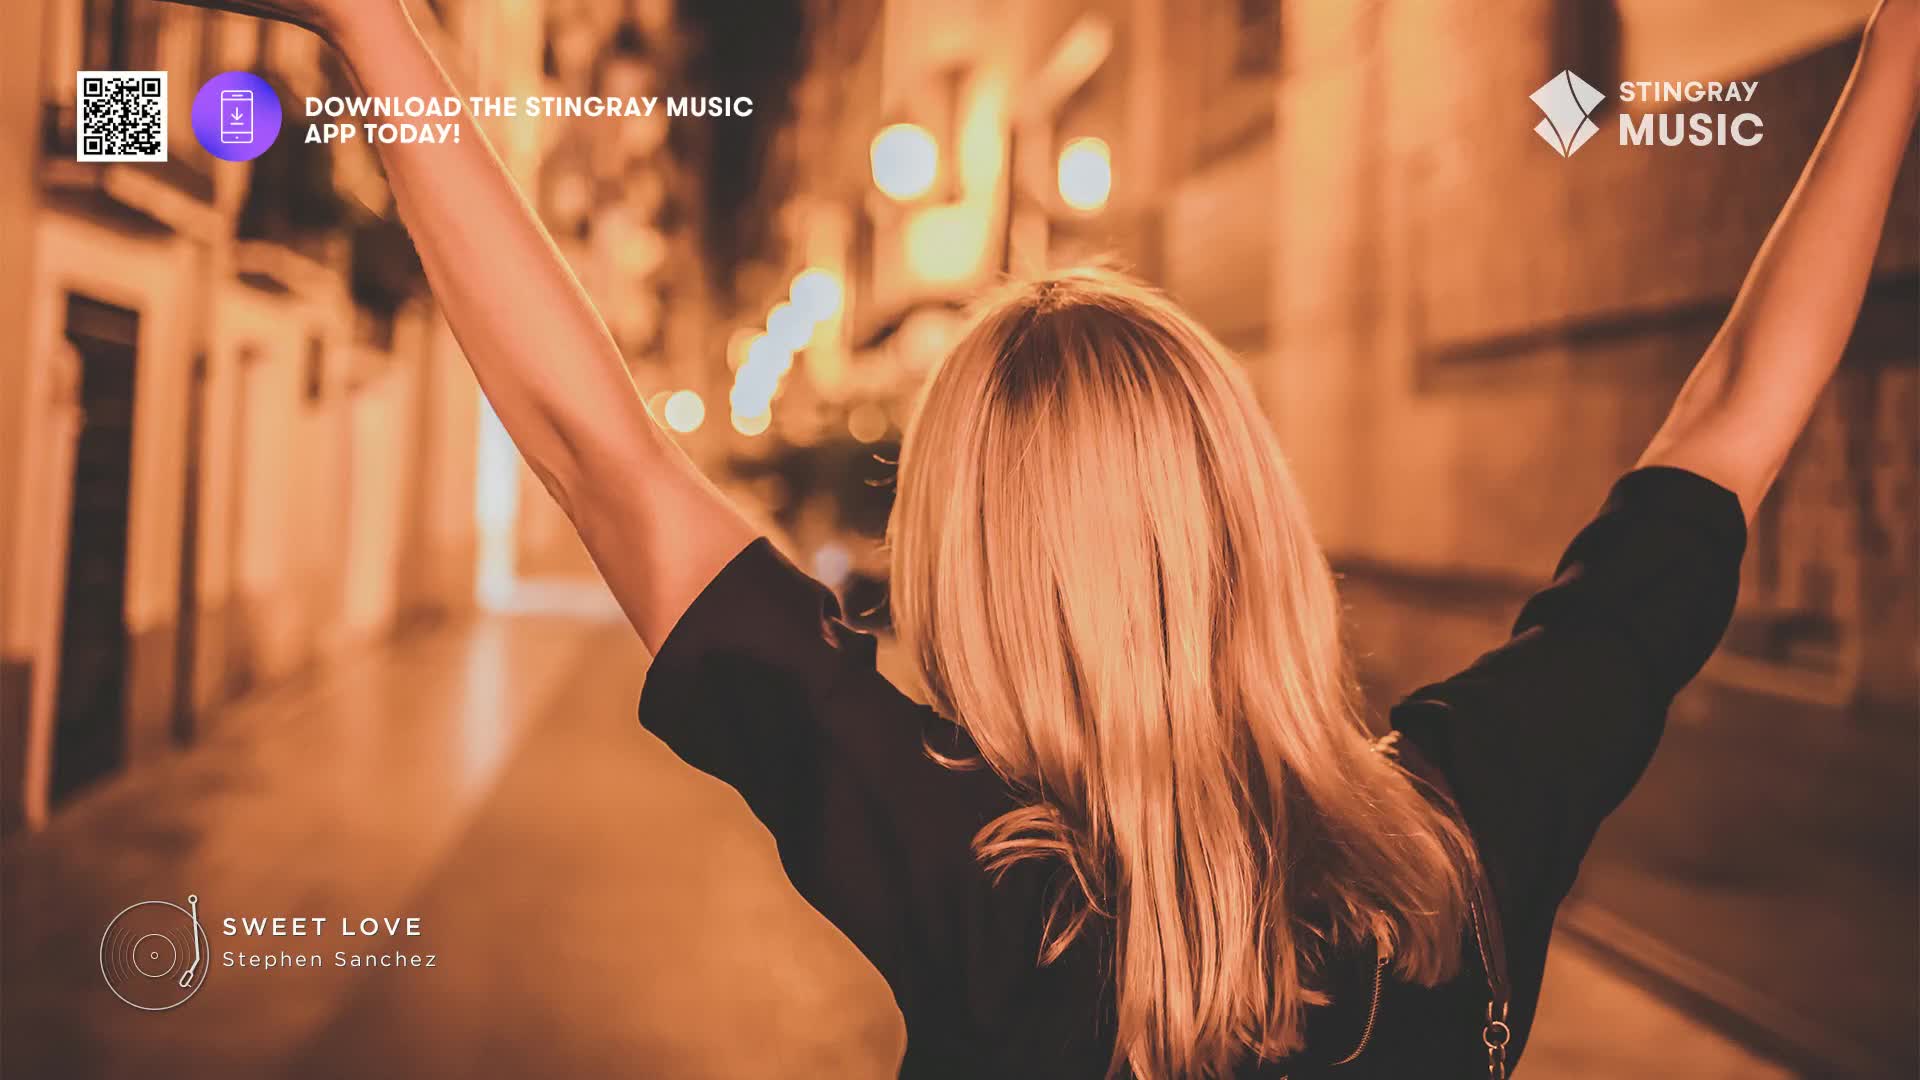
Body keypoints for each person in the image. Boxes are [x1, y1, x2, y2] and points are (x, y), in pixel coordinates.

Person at [161, 1, 1920, 1075]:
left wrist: (376, 35)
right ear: (1245, 514)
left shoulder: (981, 881)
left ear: (978, 582)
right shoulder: (1469, 826)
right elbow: (1741, 413)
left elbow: (598, 453)